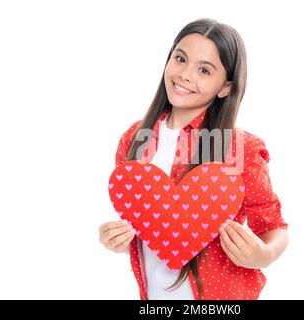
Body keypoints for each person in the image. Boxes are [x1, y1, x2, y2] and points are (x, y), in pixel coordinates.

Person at [99, 18, 288, 300]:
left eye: (204, 70)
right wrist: (117, 240)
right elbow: (153, 230)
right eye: (180, 58)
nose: (186, 74)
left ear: (225, 87)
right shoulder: (135, 139)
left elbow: (273, 228)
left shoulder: (240, 148)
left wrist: (263, 255)